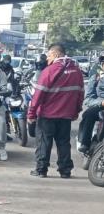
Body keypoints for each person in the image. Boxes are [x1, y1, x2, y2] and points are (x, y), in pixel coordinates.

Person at [28, 43, 85, 178]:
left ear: (56, 54)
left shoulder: (49, 70)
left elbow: (38, 94)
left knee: (44, 142)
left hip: (47, 114)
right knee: (63, 142)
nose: (47, 59)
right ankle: (65, 170)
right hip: (65, 116)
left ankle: (41, 169)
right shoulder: (76, 71)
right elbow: (80, 93)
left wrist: (31, 113)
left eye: (49, 55)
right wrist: (76, 111)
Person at [77, 68, 104, 155]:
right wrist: (101, 102)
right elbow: (88, 99)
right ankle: (85, 143)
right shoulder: (96, 78)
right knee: (88, 114)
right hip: (100, 107)